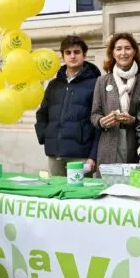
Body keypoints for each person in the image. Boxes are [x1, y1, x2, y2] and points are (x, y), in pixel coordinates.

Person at [35, 35, 101, 176]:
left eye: (76, 52)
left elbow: (98, 122)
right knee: (55, 194)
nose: (72, 56)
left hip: (81, 155)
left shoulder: (96, 83)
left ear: (84, 55)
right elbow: (42, 114)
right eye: (68, 53)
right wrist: (46, 137)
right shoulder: (54, 85)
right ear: (63, 56)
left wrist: (93, 155)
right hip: (55, 154)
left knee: (80, 196)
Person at [91, 33, 140, 166]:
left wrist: (134, 120)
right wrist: (101, 121)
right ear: (112, 53)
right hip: (109, 143)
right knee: (110, 184)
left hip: (137, 143)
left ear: (134, 51)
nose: (123, 53)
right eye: (118, 49)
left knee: (135, 184)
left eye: (127, 48)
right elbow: (94, 114)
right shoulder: (102, 81)